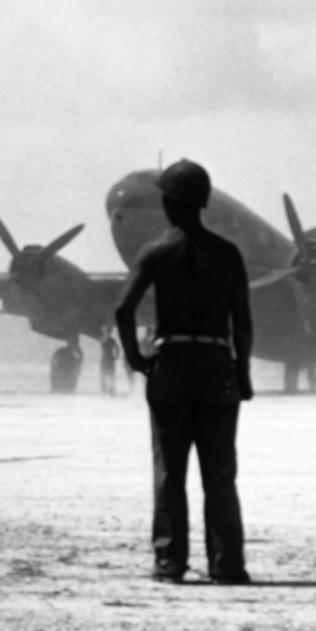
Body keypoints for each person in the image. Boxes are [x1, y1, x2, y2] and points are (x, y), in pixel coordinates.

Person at [114, 159, 253, 585]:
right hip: (215, 370)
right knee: (220, 475)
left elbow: (122, 309)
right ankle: (227, 566)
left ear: (170, 205)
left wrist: (137, 359)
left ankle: (170, 563)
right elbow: (242, 321)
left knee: (170, 474)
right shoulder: (227, 254)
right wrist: (242, 373)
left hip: (170, 369)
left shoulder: (155, 252)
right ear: (202, 204)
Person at [99, 331, 120, 395]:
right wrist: (116, 356)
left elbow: (117, 348)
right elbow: (117, 348)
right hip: (108, 359)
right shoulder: (109, 340)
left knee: (108, 376)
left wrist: (116, 356)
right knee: (106, 376)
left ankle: (109, 390)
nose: (107, 334)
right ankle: (106, 390)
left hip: (107, 359)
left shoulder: (104, 339)